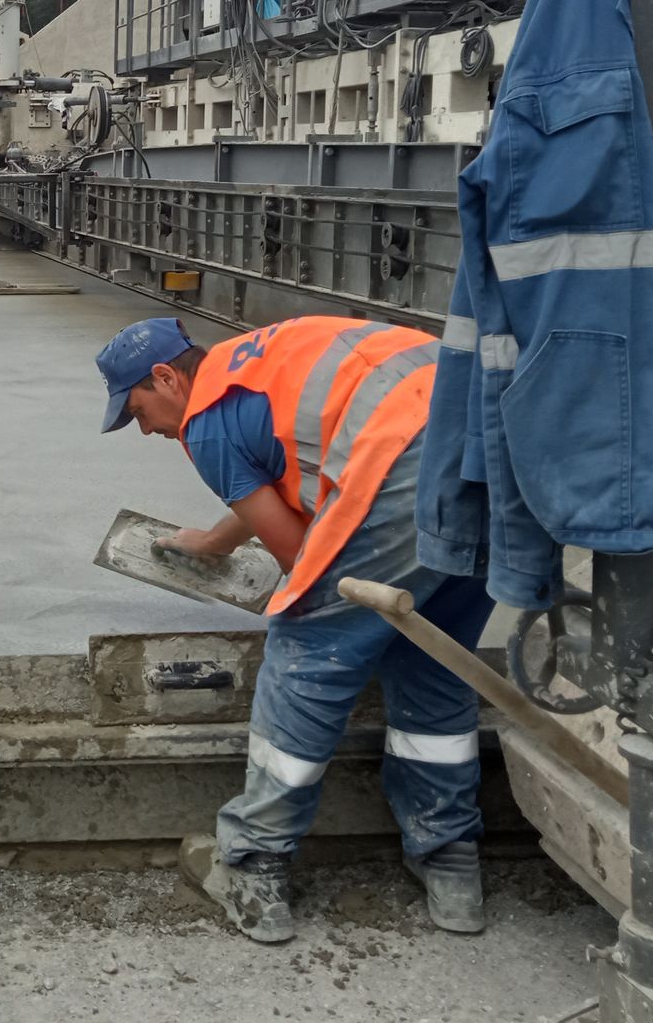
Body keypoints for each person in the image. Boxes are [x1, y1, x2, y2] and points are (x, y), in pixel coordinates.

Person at [96, 315, 493, 944]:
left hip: (403, 458)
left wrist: (320, 600)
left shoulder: (205, 422)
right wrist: (217, 541)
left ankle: (255, 867)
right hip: (495, 448)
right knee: (431, 656)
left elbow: (297, 555)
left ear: (166, 378)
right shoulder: (251, 366)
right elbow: (278, 478)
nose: (145, 429)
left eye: (138, 411)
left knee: (309, 646)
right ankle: (451, 866)